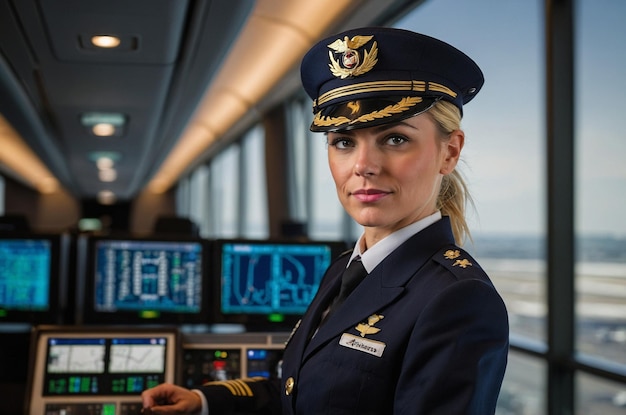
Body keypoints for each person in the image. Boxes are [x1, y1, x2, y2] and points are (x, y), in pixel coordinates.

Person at [141, 26, 509, 415]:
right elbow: (301, 388)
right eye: (344, 142)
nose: (364, 166)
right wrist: (202, 402)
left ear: (449, 152)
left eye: (395, 139)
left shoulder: (458, 298)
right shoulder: (345, 270)